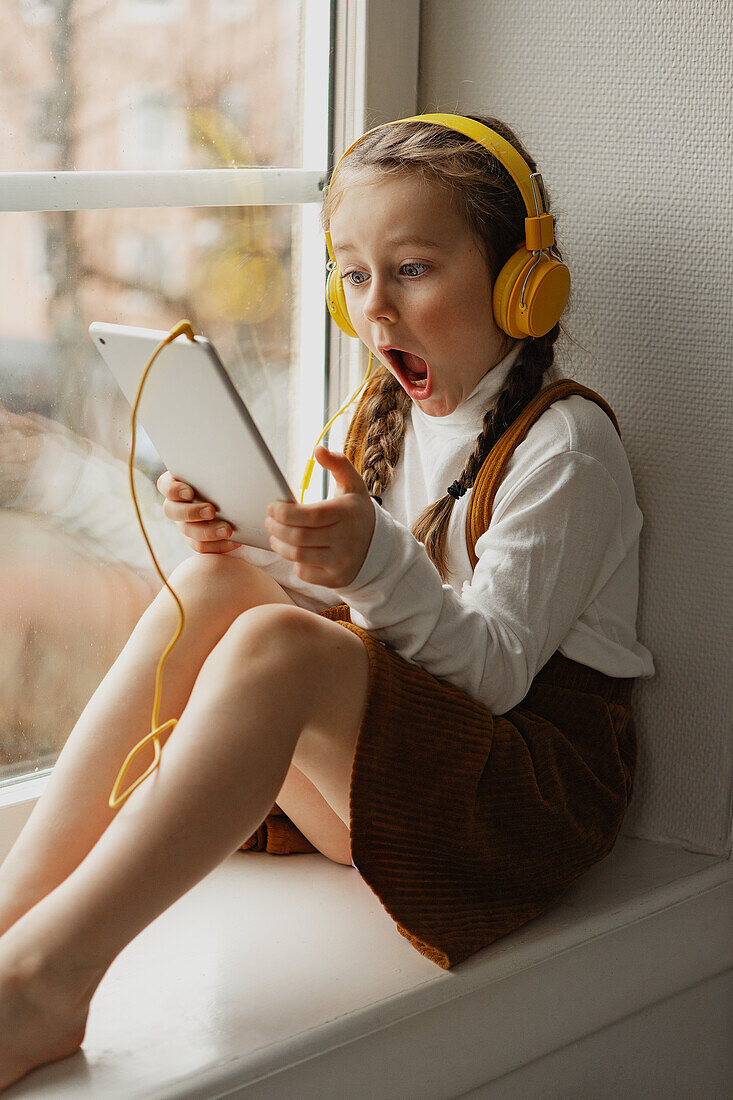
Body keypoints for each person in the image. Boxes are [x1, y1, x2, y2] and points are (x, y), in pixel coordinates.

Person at [0, 113, 654, 1090]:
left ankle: (47, 982)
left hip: (515, 810)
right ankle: (14, 922)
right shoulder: (373, 416)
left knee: (278, 644)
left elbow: (491, 672)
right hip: (398, 795)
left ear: (523, 281)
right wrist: (248, 534)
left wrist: (369, 559)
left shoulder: (565, 452)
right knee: (221, 583)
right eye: (354, 276)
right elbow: (340, 596)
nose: (376, 307)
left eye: (414, 269)